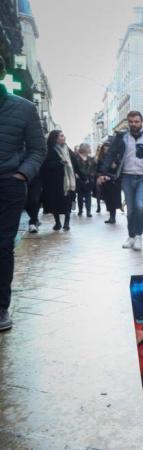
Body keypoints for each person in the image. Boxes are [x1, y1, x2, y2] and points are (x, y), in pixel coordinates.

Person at [0, 55, 47, 331]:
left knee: (3, 244)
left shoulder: (24, 108)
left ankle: (1, 307)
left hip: (9, 183)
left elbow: (37, 149)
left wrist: (22, 174)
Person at [98, 111, 143, 251]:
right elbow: (110, 154)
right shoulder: (121, 137)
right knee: (130, 210)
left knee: (140, 205)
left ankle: (138, 237)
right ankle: (130, 236)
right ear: (128, 122)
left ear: (141, 122)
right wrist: (102, 172)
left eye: (136, 121)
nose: (133, 124)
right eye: (131, 122)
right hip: (126, 176)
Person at [41, 130, 78, 231]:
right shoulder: (49, 150)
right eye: (61, 136)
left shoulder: (68, 150)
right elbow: (45, 165)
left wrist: (83, 176)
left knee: (68, 203)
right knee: (55, 203)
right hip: (55, 183)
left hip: (68, 182)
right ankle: (57, 223)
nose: (64, 137)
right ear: (55, 138)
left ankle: (66, 223)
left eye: (63, 135)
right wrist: (60, 163)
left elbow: (75, 164)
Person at [95, 139, 122, 224]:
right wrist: (101, 176)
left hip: (114, 181)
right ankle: (111, 216)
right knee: (108, 199)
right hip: (105, 182)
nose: (106, 149)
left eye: (108, 147)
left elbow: (119, 170)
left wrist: (115, 167)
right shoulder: (101, 159)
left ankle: (112, 217)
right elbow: (98, 170)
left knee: (113, 200)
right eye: (105, 148)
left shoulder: (116, 158)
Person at [75, 143, 96, 217]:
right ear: (84, 148)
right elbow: (75, 168)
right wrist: (76, 174)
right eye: (88, 147)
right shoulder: (76, 158)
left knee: (88, 195)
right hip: (79, 179)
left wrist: (92, 175)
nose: (90, 149)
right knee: (80, 195)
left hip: (88, 179)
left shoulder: (90, 159)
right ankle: (80, 210)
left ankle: (88, 212)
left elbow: (93, 168)